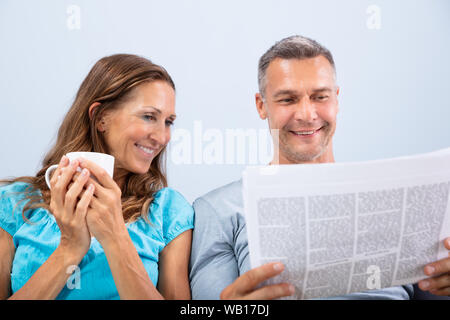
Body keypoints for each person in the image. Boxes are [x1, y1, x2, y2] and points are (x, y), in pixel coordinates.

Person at [189, 35, 450, 299]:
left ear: (336, 99)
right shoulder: (219, 210)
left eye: (319, 97)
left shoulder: (397, 196)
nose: (306, 114)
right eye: (288, 100)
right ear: (261, 105)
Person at [0, 54, 194, 300]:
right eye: (149, 117)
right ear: (100, 117)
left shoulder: (168, 211)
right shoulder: (11, 203)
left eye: (168, 122)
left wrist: (114, 236)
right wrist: (70, 248)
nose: (162, 136)